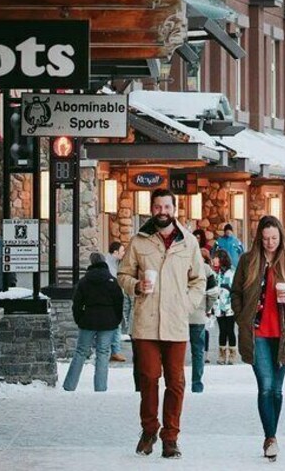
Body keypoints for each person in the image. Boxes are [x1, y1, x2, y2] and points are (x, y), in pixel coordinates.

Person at [117, 188, 207, 460]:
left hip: (176, 323)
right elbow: (123, 274)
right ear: (151, 209)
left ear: (174, 209)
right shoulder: (139, 241)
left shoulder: (188, 243)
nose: (162, 212)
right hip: (146, 322)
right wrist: (136, 286)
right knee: (148, 377)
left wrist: (186, 304)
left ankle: (171, 437)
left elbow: (199, 281)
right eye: (157, 207)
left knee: (176, 382)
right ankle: (149, 429)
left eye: (166, 207)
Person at [231, 215, 285, 461]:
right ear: (259, 238)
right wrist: (241, 316)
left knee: (277, 390)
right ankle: (270, 438)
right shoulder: (248, 260)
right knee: (265, 387)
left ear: (281, 237)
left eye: (274, 238)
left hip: (284, 332)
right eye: (265, 238)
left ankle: (271, 435)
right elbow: (235, 291)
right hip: (257, 333)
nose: (269, 242)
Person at [63, 252, 124, 392]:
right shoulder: (112, 281)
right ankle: (100, 387)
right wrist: (116, 320)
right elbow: (119, 302)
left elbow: (77, 303)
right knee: (103, 353)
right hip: (108, 321)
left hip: (88, 320)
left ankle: (69, 385)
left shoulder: (84, 281)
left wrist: (80, 319)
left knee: (80, 352)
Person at [189, 262, 219, 393]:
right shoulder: (205, 268)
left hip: (176, 315)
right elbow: (213, 292)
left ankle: (176, 383)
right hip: (197, 314)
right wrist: (206, 308)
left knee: (174, 352)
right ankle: (196, 384)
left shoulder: (175, 263)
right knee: (198, 351)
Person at [211, 249, 237, 365]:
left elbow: (236, 288)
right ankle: (222, 354)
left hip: (229, 305)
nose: (214, 260)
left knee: (230, 330)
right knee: (222, 330)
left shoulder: (231, 272)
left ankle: (232, 354)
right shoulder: (214, 273)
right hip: (218, 306)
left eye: (216, 257)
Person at [107, 241, 128, 363]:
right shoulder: (109, 264)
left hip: (115, 297)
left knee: (117, 324)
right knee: (116, 324)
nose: (124, 253)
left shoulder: (115, 263)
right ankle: (115, 351)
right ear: (115, 252)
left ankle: (115, 351)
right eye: (122, 251)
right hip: (111, 299)